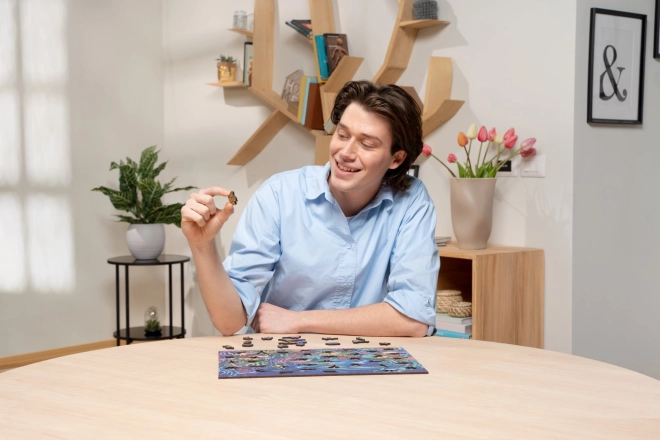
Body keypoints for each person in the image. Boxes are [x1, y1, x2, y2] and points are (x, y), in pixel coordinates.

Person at [181, 81, 439, 337]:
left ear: (396, 158)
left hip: (367, 359)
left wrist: (298, 320)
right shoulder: (278, 195)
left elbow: (414, 318)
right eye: (342, 135)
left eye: (367, 144)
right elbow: (230, 322)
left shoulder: (412, 201)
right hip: (280, 358)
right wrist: (202, 245)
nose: (345, 152)